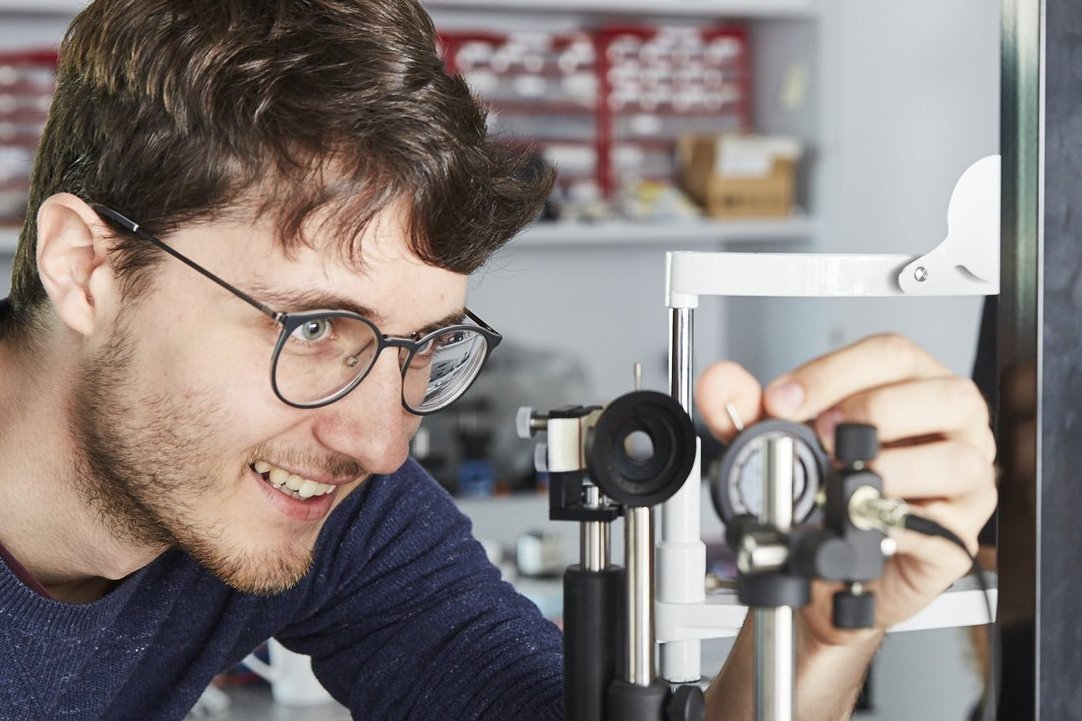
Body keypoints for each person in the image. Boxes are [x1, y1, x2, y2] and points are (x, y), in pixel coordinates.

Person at [0, 1, 996, 719]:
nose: (382, 443)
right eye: (311, 329)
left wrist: (816, 630)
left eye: (419, 348)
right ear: (86, 268)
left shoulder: (331, 503)